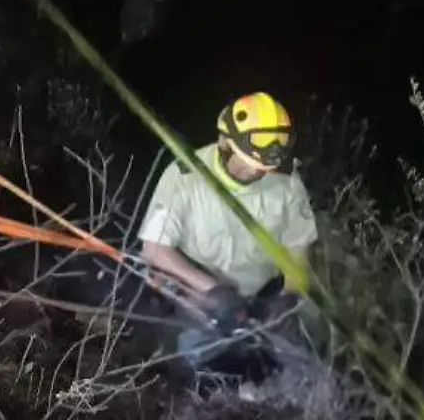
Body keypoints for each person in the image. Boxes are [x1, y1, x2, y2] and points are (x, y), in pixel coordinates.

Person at [137, 92, 319, 378]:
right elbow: (154, 249)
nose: (260, 170)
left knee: (303, 362)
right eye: (252, 160)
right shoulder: (185, 175)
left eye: (267, 165)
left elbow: (298, 249)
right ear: (226, 143)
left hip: (262, 298)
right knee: (185, 362)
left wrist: (289, 296)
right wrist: (212, 291)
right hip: (200, 296)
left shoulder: (286, 183)